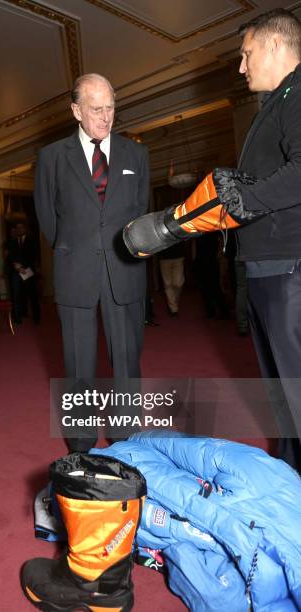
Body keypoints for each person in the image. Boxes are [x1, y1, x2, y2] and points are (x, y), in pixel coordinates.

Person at [34, 73, 149, 451]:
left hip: (124, 269)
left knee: (127, 364)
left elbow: (140, 210)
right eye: (96, 109)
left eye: (111, 107)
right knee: (78, 366)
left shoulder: (137, 154)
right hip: (75, 270)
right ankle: (81, 443)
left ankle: (126, 438)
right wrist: (74, 248)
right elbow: (48, 219)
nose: (106, 116)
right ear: (76, 110)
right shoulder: (51, 157)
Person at [236, 9, 301, 471]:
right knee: (278, 391)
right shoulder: (277, 102)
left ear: (275, 46)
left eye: (247, 53)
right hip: (265, 267)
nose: (242, 66)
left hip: (288, 268)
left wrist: (244, 197)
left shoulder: (298, 95)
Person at [6, 221, 41, 324]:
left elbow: (33, 255)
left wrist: (22, 266)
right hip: (16, 271)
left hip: (28, 270)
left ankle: (36, 318)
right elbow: (10, 257)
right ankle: (17, 319)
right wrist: (16, 266)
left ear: (25, 229)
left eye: (21, 227)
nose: (19, 229)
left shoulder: (32, 241)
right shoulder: (12, 242)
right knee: (16, 295)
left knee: (32, 295)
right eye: (17, 228)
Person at [159, 243, 185, 317]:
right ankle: (174, 309)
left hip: (179, 255)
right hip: (164, 257)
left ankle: (173, 304)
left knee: (178, 284)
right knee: (168, 285)